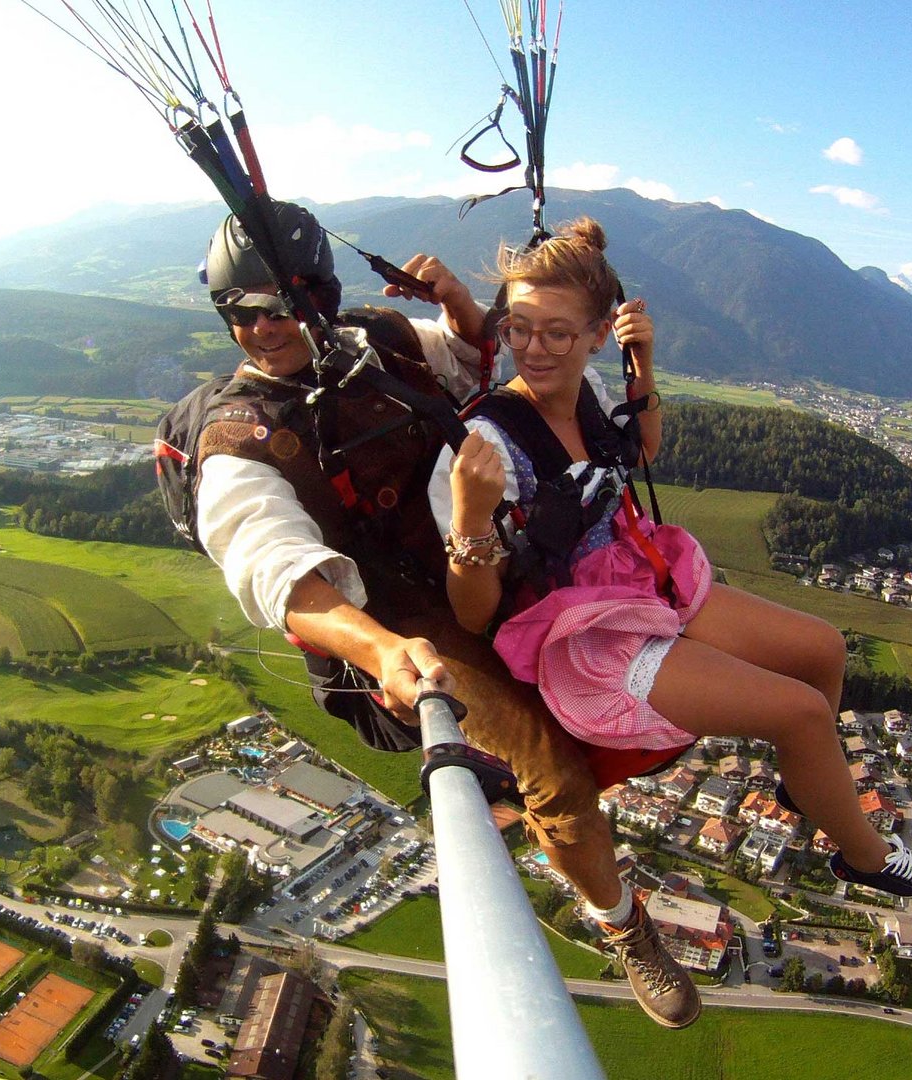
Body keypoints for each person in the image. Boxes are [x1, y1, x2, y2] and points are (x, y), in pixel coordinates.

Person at [174, 200, 703, 1028]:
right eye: (241, 312)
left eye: (284, 303)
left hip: (485, 554)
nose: (265, 327)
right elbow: (278, 567)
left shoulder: (372, 340)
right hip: (407, 621)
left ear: (319, 293)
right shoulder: (236, 438)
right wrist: (380, 648)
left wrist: (459, 301)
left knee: (653, 641)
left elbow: (462, 364)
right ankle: (622, 922)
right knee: (551, 768)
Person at [431, 217, 912, 903]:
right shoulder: (486, 442)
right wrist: (470, 517)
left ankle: (806, 783)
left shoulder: (588, 397)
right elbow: (475, 615)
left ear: (594, 338)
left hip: (640, 577)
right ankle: (864, 855)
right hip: (588, 633)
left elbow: (637, 452)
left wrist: (641, 366)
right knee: (800, 712)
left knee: (823, 650)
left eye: (558, 333)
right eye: (519, 328)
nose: (534, 348)